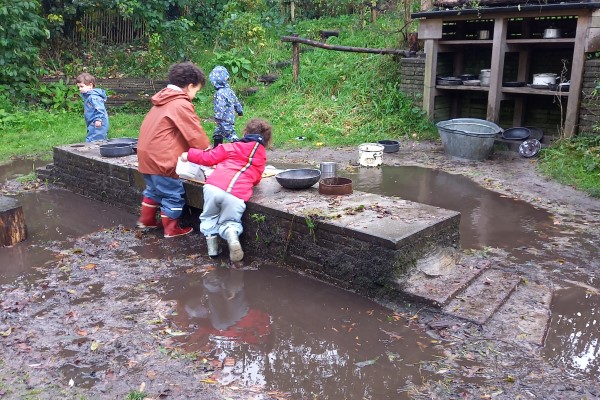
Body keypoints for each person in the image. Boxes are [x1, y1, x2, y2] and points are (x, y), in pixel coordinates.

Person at [180, 118, 272, 261]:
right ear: (267, 140)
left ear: (245, 133)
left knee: (209, 216)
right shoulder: (261, 156)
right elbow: (256, 178)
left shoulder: (232, 146)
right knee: (230, 220)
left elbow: (208, 158)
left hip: (213, 187)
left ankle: (213, 249)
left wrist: (189, 155)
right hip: (237, 194)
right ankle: (231, 233)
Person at [136, 62, 211, 238]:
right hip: (163, 159)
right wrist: (208, 152)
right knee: (172, 194)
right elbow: (194, 133)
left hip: (146, 157)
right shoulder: (180, 103)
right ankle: (171, 229)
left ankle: (146, 220)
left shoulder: (161, 100)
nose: (194, 96)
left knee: (154, 190)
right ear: (190, 86)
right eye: (196, 91)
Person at [209, 65, 244, 147]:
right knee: (218, 133)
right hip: (230, 117)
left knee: (230, 133)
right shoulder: (229, 91)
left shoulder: (219, 93)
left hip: (224, 118)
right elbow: (236, 101)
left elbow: (220, 106)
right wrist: (239, 111)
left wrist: (218, 117)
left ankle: (238, 147)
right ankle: (217, 149)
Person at [76, 73, 109, 142]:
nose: (79, 89)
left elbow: (100, 108)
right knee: (93, 136)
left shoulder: (94, 97)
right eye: (78, 87)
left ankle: (93, 147)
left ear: (90, 85)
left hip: (97, 122)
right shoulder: (88, 96)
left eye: (81, 86)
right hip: (92, 121)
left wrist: (99, 119)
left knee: (95, 139)